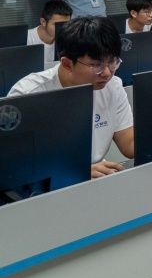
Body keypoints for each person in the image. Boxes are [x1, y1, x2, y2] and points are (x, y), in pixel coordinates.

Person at [8, 16, 134, 178]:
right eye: (96, 65)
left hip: (97, 177)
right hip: (45, 184)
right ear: (67, 64)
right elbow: (14, 164)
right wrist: (76, 171)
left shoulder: (113, 86)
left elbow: (129, 145)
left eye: (112, 62)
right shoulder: (28, 94)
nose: (107, 73)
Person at [26, 0, 72, 66]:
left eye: (66, 24)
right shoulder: (27, 39)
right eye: (57, 25)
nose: (62, 28)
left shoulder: (68, 39)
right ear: (43, 22)